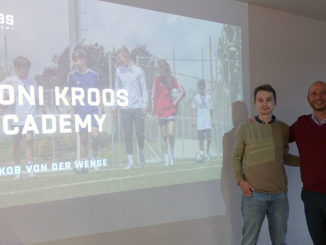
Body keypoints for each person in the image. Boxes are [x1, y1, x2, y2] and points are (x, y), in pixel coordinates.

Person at [231, 84, 299, 245]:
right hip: (253, 196)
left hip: (279, 196)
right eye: (260, 100)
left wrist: (309, 162)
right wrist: (240, 181)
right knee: (249, 241)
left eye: (269, 100)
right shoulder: (245, 128)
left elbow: (283, 157)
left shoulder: (283, 128)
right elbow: (235, 158)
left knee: (280, 241)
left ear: (275, 102)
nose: (265, 103)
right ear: (255, 103)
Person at [289, 81, 326, 245]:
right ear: (308, 98)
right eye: (314, 93)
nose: (319, 97)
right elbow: (276, 139)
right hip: (311, 196)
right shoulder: (301, 124)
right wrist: (258, 123)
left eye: (323, 92)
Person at [1, 56, 38, 178]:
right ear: (17, 68)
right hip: (16, 118)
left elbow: (36, 98)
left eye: (28, 68)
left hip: (29, 117)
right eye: (24, 68)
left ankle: (30, 168)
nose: (26, 70)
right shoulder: (11, 80)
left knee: (29, 140)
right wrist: (3, 102)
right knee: (16, 144)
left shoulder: (32, 81)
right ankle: (17, 170)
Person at [67, 49, 103, 170]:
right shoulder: (71, 76)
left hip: (93, 109)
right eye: (74, 61)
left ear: (83, 59)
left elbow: (99, 92)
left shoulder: (93, 75)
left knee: (95, 135)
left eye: (77, 60)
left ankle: (94, 158)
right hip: (79, 110)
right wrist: (69, 111)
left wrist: (101, 107)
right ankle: (85, 162)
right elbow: (68, 95)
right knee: (83, 138)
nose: (75, 63)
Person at [113, 46, 148, 169]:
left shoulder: (138, 70)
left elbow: (144, 88)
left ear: (127, 55)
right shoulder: (118, 71)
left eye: (121, 56)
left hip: (138, 107)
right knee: (127, 134)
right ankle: (131, 161)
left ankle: (141, 152)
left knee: (140, 133)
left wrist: (144, 104)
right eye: (118, 58)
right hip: (125, 108)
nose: (120, 59)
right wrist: (114, 105)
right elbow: (117, 89)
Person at [152, 59, 185, 166]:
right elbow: (155, 96)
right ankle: (166, 158)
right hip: (161, 112)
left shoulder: (173, 79)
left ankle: (172, 156)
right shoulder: (157, 80)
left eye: (160, 69)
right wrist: (154, 111)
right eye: (157, 69)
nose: (159, 71)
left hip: (171, 111)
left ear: (164, 68)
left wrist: (175, 102)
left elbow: (183, 92)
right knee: (164, 136)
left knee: (170, 134)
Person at [191, 79, 214, 162]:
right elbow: (193, 109)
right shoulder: (196, 98)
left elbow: (211, 109)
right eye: (200, 88)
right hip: (200, 123)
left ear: (204, 87)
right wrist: (194, 120)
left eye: (202, 88)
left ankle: (207, 150)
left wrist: (212, 120)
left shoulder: (209, 97)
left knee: (209, 139)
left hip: (207, 122)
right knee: (201, 141)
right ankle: (203, 155)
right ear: (198, 88)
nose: (201, 90)